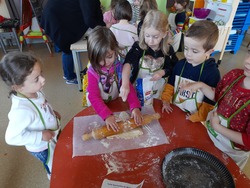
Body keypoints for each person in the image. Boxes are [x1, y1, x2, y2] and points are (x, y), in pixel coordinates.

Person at [181, 52, 250, 169]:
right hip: (210, 134)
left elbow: (248, 140)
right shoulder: (235, 75)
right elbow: (217, 95)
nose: (248, 61)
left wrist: (217, 127)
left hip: (230, 151)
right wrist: (200, 85)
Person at [0, 52, 61, 179]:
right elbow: (11, 138)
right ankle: (54, 177)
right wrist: (40, 136)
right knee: (54, 165)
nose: (43, 79)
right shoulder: (21, 111)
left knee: (60, 157)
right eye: (36, 79)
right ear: (18, 87)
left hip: (51, 138)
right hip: (42, 147)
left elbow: (41, 105)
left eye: (41, 74)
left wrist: (51, 112)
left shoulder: (35, 91)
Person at [161, 20, 220, 123]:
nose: (188, 54)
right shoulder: (180, 65)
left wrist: (197, 116)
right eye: (186, 48)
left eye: (195, 51)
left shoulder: (212, 73)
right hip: (176, 109)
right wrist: (165, 100)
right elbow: (170, 84)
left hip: (196, 119)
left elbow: (209, 102)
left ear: (209, 52)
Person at [86, 26, 143, 131]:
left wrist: (135, 106)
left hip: (114, 102)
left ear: (115, 50)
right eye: (100, 59)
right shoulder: (93, 72)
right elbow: (93, 97)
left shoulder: (118, 66)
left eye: (109, 56)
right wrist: (106, 115)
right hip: (97, 107)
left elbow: (127, 86)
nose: (106, 62)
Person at [120, 10, 178, 106]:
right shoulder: (138, 47)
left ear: (164, 34)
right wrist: (125, 83)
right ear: (143, 32)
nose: (150, 41)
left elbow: (172, 68)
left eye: (155, 37)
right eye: (147, 36)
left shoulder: (167, 50)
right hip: (137, 89)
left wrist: (162, 72)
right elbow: (127, 63)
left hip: (157, 91)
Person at [41, 0, 105, 85]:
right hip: (55, 16)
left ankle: (69, 74)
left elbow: (94, 10)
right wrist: (104, 28)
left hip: (58, 13)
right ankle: (69, 77)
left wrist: (102, 25)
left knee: (68, 44)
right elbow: (89, 19)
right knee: (67, 46)